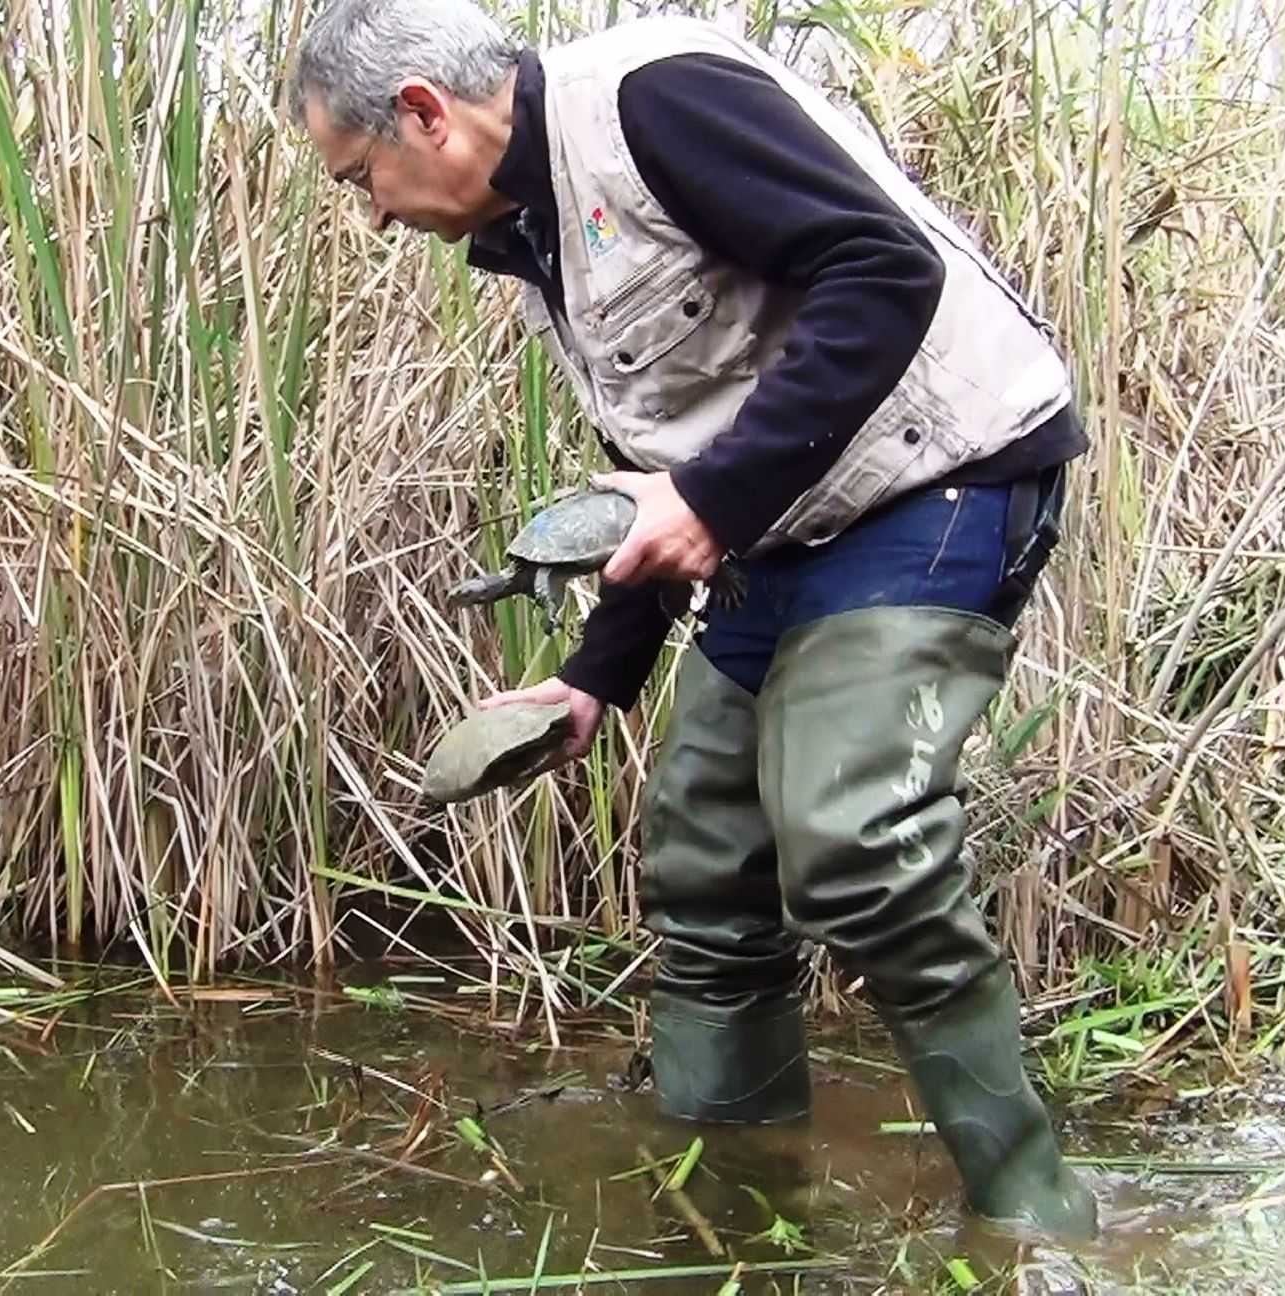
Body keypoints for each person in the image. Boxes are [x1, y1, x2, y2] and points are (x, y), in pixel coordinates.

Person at [287, 0, 1100, 1240]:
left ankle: (1034, 1217)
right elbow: (653, 473)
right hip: (782, 520)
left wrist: (714, 501)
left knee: (850, 835)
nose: (375, 213)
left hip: (942, 479)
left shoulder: (653, 99)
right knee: (703, 856)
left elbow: (888, 270)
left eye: (362, 179)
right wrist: (591, 681)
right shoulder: (537, 235)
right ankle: (736, 1198)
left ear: (421, 113)